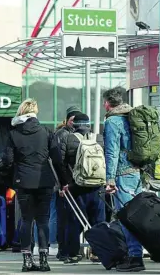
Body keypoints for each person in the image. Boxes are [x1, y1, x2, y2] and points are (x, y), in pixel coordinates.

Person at [3, 98, 57, 272]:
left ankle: (27, 261)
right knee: (43, 221)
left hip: (23, 181)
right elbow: (57, 158)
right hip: (44, 180)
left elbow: (8, 160)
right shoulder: (46, 132)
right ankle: (43, 260)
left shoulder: (13, 134)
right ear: (36, 112)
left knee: (26, 220)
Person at [102, 87, 145, 272]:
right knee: (136, 216)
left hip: (122, 174)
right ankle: (136, 254)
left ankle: (135, 258)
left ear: (107, 103)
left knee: (127, 217)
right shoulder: (132, 117)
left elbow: (112, 152)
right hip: (136, 173)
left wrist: (110, 179)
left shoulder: (113, 121)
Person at [56, 112, 105, 265]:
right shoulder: (99, 138)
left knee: (74, 221)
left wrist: (65, 183)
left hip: (76, 186)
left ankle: (73, 254)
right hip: (97, 186)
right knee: (98, 221)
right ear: (88, 125)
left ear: (74, 124)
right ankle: (97, 253)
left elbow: (60, 163)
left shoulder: (68, 138)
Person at [50, 105, 81, 260]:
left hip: (69, 183)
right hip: (64, 183)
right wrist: (62, 183)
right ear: (67, 120)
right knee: (62, 216)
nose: (74, 123)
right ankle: (60, 247)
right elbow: (58, 162)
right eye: (72, 120)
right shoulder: (63, 134)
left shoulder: (70, 134)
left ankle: (64, 248)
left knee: (67, 217)